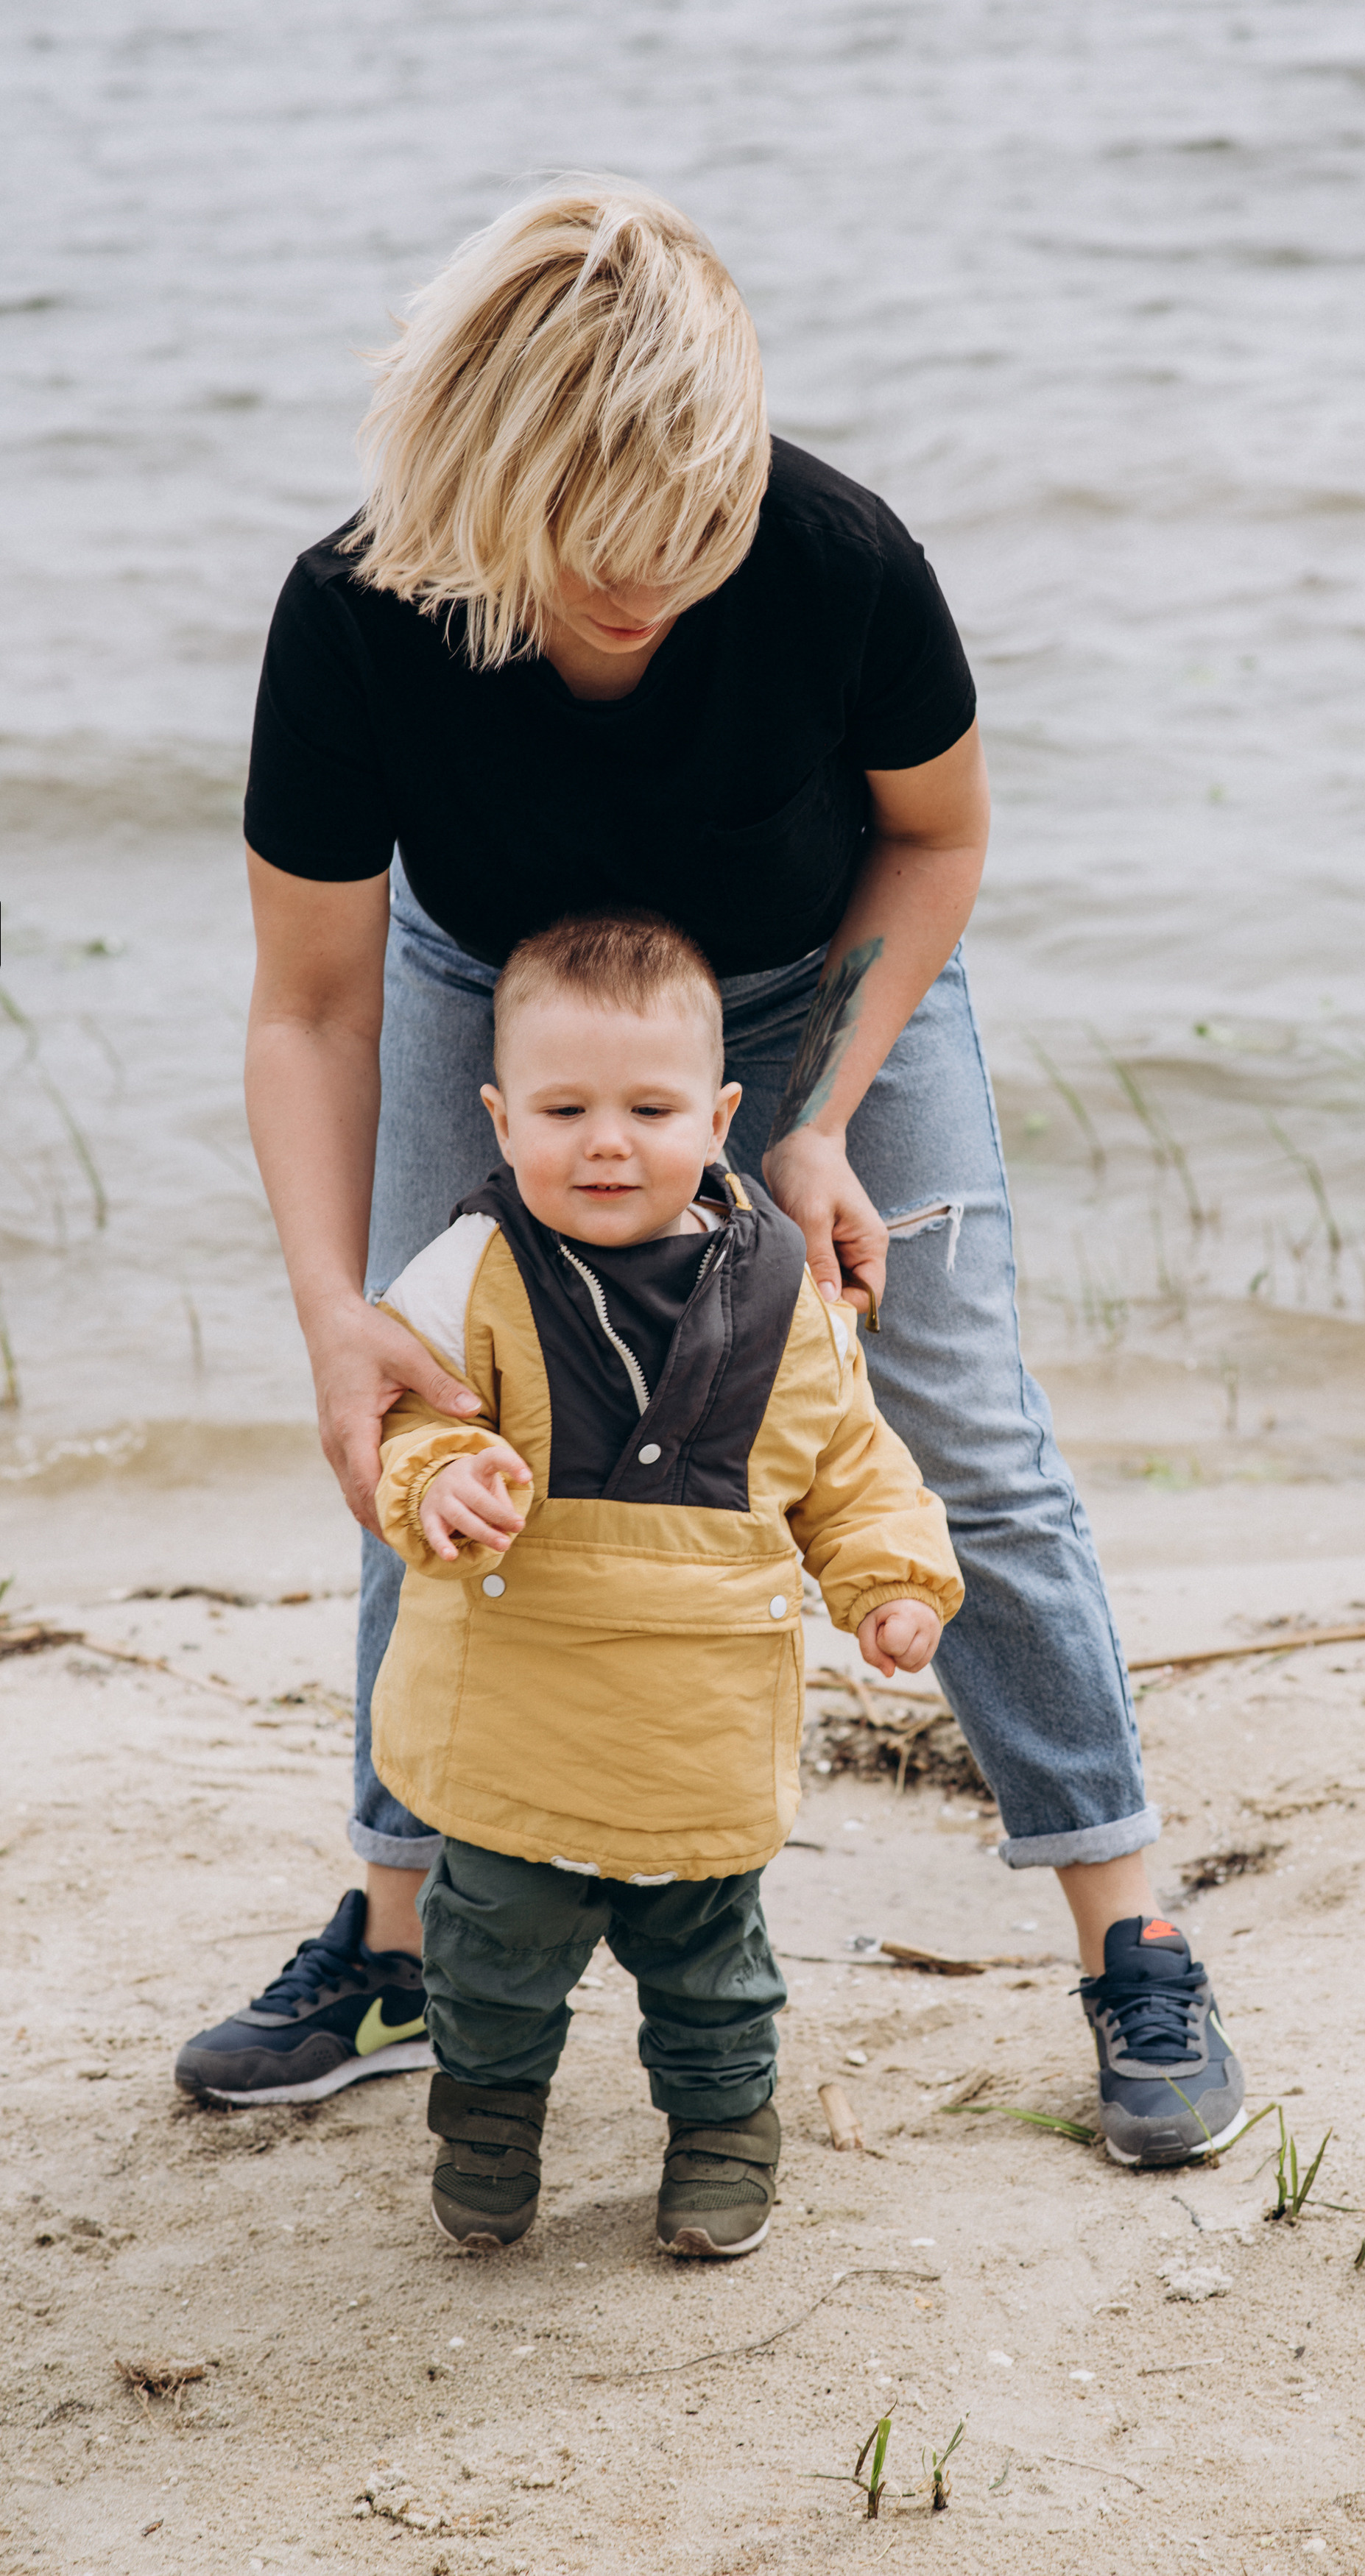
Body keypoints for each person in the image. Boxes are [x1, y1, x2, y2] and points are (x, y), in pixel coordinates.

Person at [174, 177, 1246, 2170]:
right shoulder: (357, 611)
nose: (651, 586)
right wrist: (335, 1311)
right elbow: (311, 1002)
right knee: (422, 1404)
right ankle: (401, 1939)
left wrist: (823, 1110)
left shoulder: (835, 554)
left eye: (697, 534)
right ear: (490, 478)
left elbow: (936, 835)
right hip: (495, 997)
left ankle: (1133, 1929)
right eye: (602, 553)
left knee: (962, 1434)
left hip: (809, 979)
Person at [368, 911, 959, 2254]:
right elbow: (409, 1416)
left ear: (721, 1114)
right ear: (499, 1117)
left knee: (712, 1967)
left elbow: (848, 1466)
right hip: (518, 1702)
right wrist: (441, 1476)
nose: (606, 1141)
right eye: (563, 1107)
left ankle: (721, 2137)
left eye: (650, 1106)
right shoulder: (466, 1273)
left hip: (696, 1718)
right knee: (489, 1946)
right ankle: (488, 2122)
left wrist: (890, 1586)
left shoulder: (786, 1297)